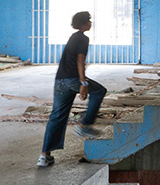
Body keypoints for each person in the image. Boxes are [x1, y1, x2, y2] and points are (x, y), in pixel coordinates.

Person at [37, 11, 107, 167]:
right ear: (83, 24)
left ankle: (44, 156)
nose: (91, 23)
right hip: (72, 79)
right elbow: (80, 61)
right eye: (89, 20)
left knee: (57, 116)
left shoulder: (73, 37)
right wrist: (83, 83)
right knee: (100, 91)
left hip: (60, 81)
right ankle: (85, 125)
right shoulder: (83, 38)